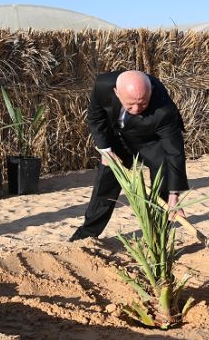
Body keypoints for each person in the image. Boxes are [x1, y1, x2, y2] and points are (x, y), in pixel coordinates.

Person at [70, 70, 189, 241]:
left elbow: (175, 153)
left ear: (152, 90)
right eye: (130, 104)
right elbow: (95, 117)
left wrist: (174, 195)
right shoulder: (102, 85)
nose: (137, 109)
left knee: (163, 177)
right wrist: (105, 149)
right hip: (116, 139)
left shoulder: (165, 110)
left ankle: (158, 238)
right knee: (105, 185)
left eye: (143, 103)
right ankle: (86, 236)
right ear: (116, 92)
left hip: (149, 142)